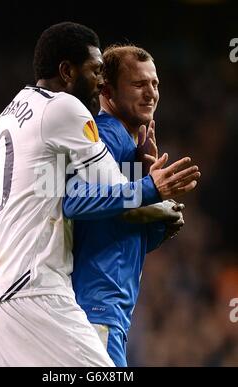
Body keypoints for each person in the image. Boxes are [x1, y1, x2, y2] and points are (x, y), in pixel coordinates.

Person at [0, 23, 200, 367]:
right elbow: (84, 198)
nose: (99, 82)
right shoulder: (69, 113)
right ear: (67, 71)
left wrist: (151, 205)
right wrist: (154, 193)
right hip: (40, 291)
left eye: (155, 83)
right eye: (97, 73)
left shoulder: (10, 118)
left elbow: (100, 214)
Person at [71, 44, 192, 366]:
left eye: (154, 84)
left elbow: (117, 232)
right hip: (96, 304)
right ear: (107, 90)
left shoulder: (129, 145)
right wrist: (150, 189)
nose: (151, 93)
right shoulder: (104, 138)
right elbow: (74, 202)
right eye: (138, 84)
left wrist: (157, 224)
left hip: (110, 309)